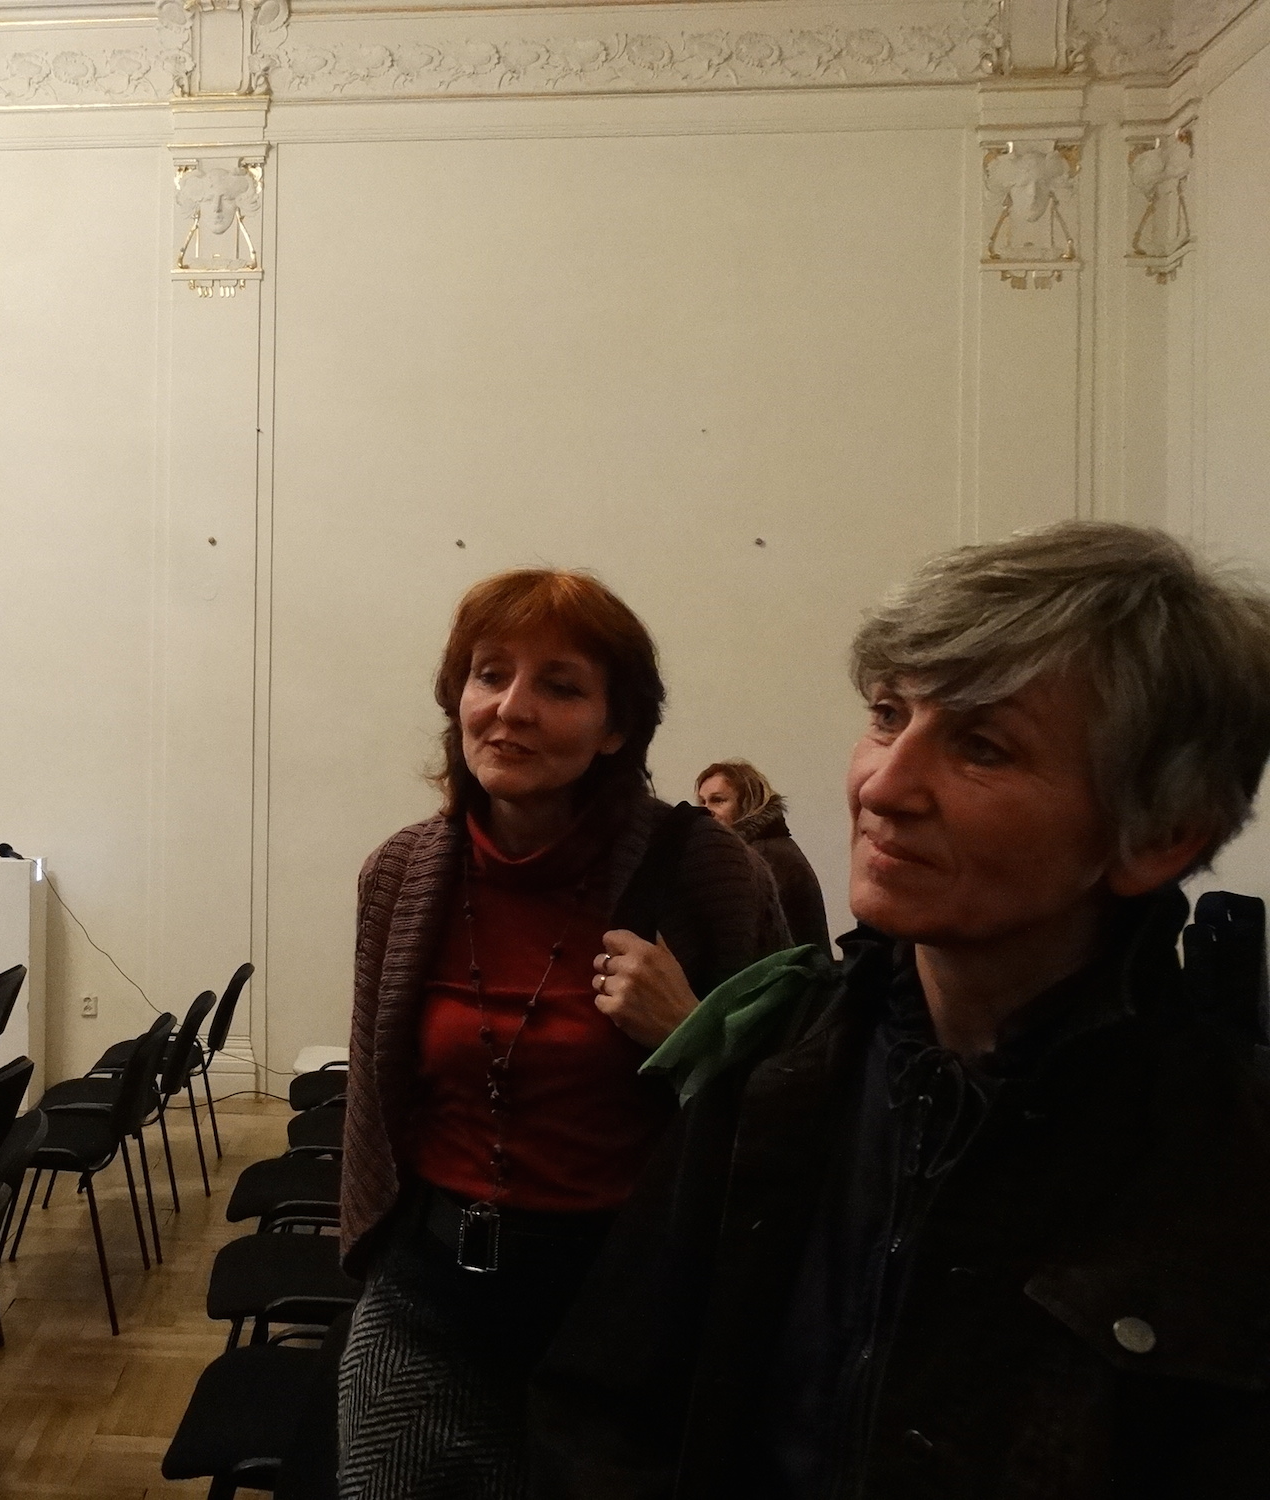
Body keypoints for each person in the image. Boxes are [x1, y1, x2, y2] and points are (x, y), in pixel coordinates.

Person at [530, 521, 1270, 1499]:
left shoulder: (1225, 1163)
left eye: (983, 747)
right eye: (887, 714)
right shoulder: (773, 1059)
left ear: (1158, 835)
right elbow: (609, 1411)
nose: (881, 785)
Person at [338, 567, 788, 1498]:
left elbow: (796, 1099)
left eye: (561, 685)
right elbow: (378, 1103)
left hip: (626, 1308)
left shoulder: (712, 873)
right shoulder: (401, 873)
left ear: (616, 728)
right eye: (489, 674)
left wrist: (689, 1032)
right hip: (430, 1296)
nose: (512, 708)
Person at [695, 758, 833, 952]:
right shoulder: (766, 849)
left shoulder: (764, 856)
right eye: (702, 802)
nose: (705, 811)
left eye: (718, 800)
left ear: (746, 804)